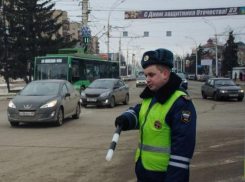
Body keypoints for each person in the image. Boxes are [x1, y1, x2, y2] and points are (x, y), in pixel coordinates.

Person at [115, 48, 197, 182]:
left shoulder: (180, 103)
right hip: (144, 173)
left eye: (151, 75)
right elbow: (141, 112)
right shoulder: (151, 96)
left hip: (164, 176)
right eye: (146, 75)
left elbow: (182, 152)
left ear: (165, 74)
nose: (147, 80)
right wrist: (127, 118)